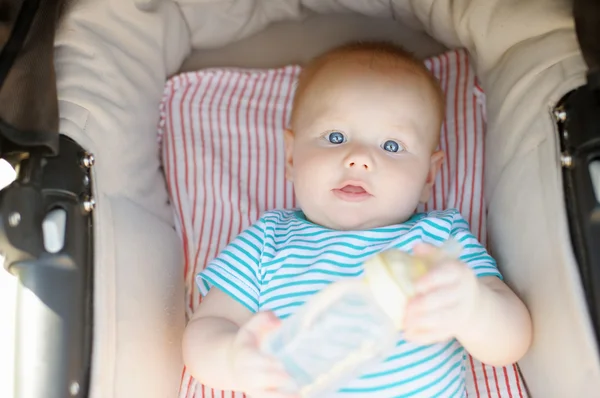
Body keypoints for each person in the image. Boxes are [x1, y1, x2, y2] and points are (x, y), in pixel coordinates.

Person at [182, 41, 532, 398]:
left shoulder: (437, 240)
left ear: (429, 176)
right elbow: (208, 327)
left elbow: (512, 341)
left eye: (392, 146)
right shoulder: (267, 239)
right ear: (291, 157)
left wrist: (472, 308)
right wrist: (233, 360)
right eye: (336, 137)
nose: (359, 159)